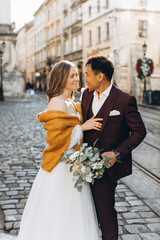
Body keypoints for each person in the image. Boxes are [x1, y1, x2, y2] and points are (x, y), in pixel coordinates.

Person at [16, 60, 103, 240]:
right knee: (59, 209)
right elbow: (55, 140)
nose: (76, 78)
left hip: (74, 164)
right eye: (71, 76)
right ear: (61, 78)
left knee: (74, 210)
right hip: (60, 166)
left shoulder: (71, 101)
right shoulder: (58, 102)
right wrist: (83, 128)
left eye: (77, 74)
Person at [81, 56, 147, 240]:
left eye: (87, 74)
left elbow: (139, 131)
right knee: (87, 211)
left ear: (100, 76)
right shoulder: (86, 94)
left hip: (106, 168)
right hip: (82, 165)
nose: (85, 78)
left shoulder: (124, 100)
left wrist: (117, 153)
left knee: (105, 213)